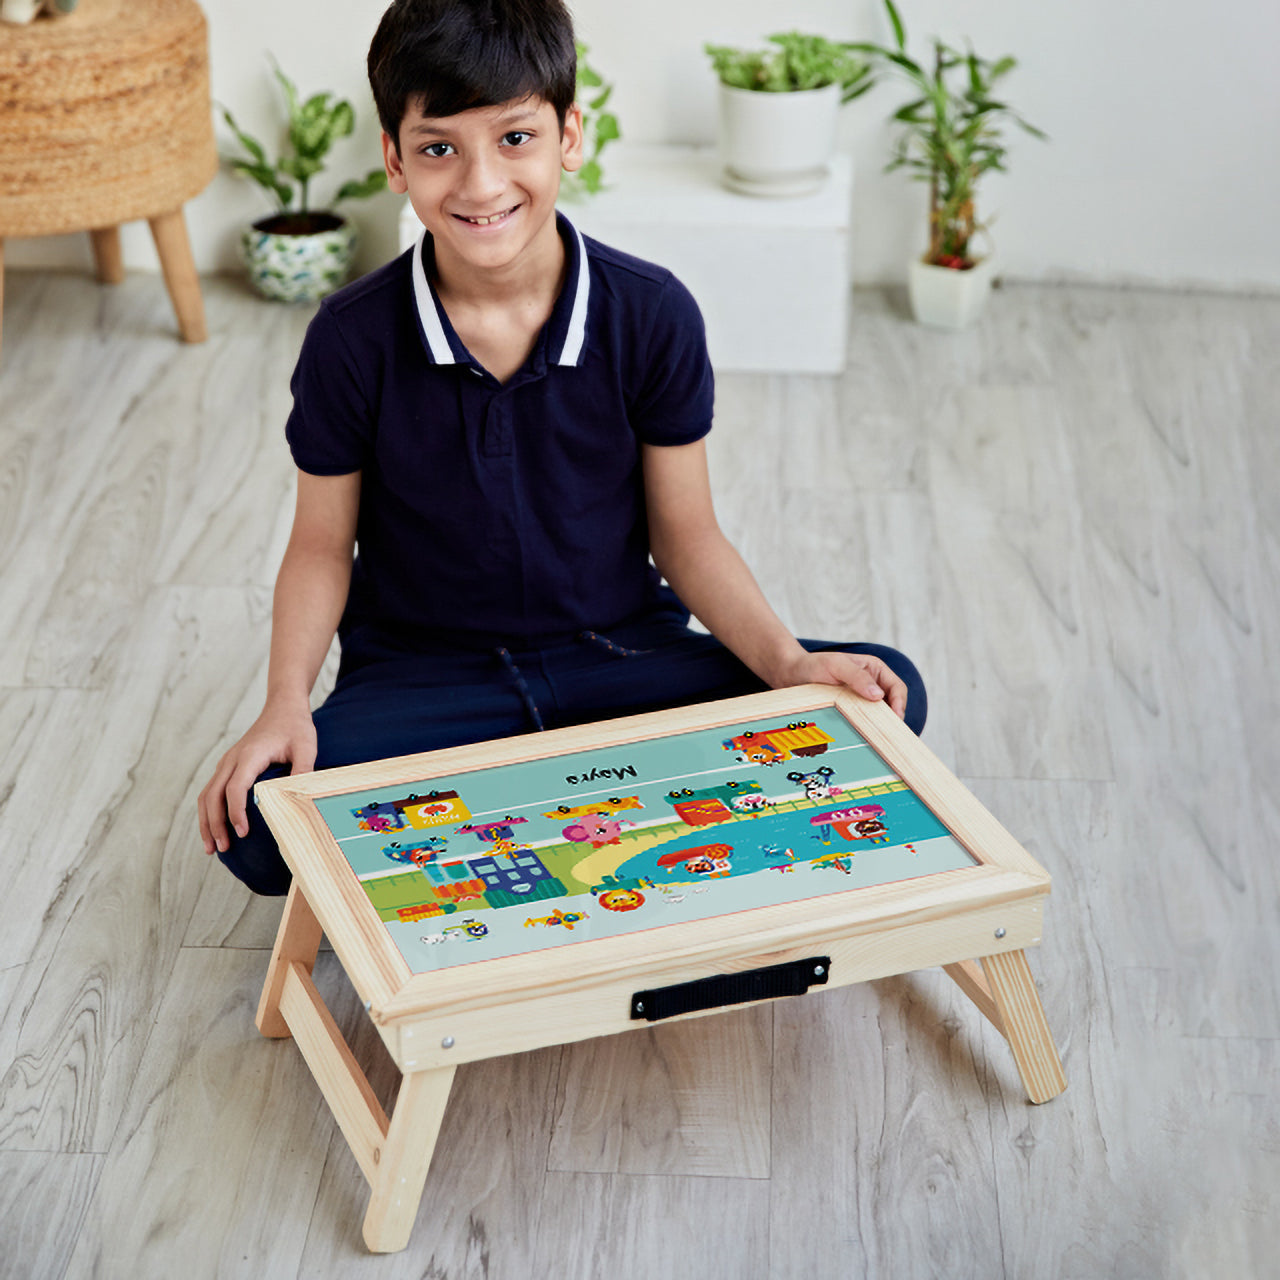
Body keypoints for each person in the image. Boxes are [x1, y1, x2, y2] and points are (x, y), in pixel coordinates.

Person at [198, 0, 927, 895]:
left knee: (879, 693)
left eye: (514, 138)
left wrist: (786, 665)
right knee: (260, 820)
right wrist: (283, 704)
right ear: (393, 159)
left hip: (620, 659)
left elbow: (687, 535)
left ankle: (525, 813)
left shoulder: (651, 312)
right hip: (430, 681)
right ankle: (582, 808)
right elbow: (319, 546)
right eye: (438, 148)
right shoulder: (351, 338)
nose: (478, 184)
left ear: (568, 135)